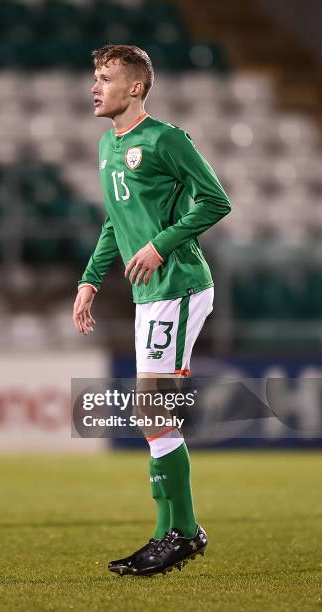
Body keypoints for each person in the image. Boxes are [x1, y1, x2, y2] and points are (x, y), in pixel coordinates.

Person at [72, 44, 231, 577]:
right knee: (150, 413)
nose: (95, 87)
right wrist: (90, 280)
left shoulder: (165, 139)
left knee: (151, 409)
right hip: (149, 291)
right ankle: (172, 532)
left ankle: (181, 532)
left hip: (179, 284)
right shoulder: (107, 145)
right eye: (95, 77)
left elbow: (215, 200)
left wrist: (162, 243)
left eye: (105, 78)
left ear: (135, 87)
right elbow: (114, 222)